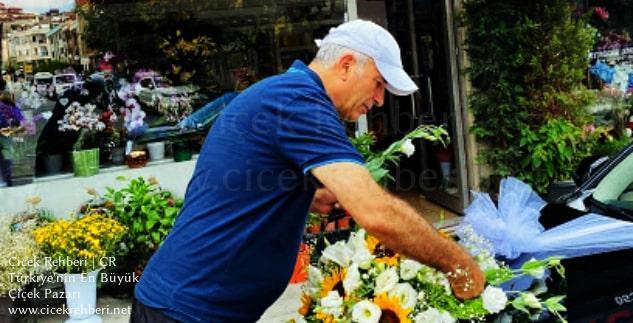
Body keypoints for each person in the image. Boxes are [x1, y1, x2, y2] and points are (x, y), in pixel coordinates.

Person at [133, 19, 485, 322]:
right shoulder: (300, 102)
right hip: (187, 310)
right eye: (379, 83)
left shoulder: (286, 93)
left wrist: (305, 192)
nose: (380, 100)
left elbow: (249, 176)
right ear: (346, 65)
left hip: (189, 305)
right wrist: (458, 264)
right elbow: (376, 213)